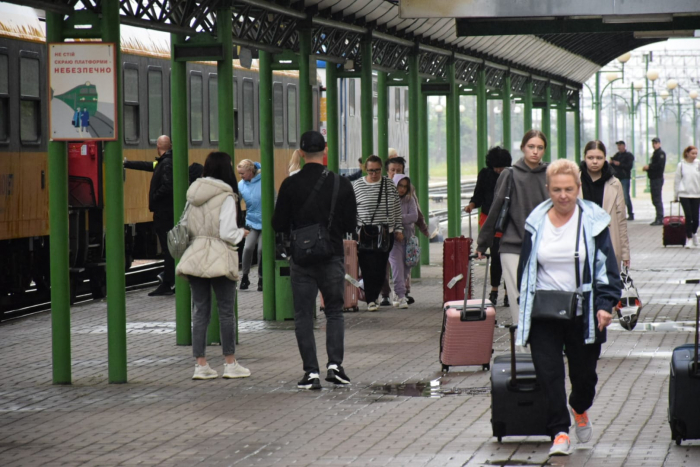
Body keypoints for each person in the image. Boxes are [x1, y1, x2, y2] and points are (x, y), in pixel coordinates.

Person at [516, 159, 621, 456]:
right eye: (557, 189)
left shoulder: (593, 222)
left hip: (584, 313)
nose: (563, 195)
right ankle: (559, 432)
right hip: (545, 312)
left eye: (569, 189)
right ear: (548, 189)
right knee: (548, 374)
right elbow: (525, 270)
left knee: (584, 377)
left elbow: (606, 267)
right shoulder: (535, 223)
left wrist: (604, 305)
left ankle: (579, 407)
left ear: (578, 188)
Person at [272, 130, 357, 390]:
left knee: (303, 316)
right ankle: (335, 366)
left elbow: (278, 223)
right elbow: (351, 224)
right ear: (325, 151)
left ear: (300, 152)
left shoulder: (289, 184)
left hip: (301, 259)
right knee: (333, 312)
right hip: (331, 255)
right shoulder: (341, 183)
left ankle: (311, 373)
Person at [175, 151, 251, 380]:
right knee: (226, 312)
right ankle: (230, 364)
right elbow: (227, 232)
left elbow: (184, 226)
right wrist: (241, 233)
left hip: (196, 256)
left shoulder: (193, 194)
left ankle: (201, 365)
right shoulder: (227, 196)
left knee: (200, 312)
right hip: (219, 256)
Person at [476, 130, 549, 333]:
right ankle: (523, 346)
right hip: (512, 246)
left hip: (543, 246)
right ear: (523, 148)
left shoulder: (550, 174)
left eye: (540, 147)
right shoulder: (510, 174)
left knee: (540, 295)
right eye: (531, 146)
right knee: (519, 297)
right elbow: (495, 209)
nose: (535, 151)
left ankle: (542, 343)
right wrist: (483, 243)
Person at [123, 135, 175, 296]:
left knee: (168, 249)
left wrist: (155, 196)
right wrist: (127, 164)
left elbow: (168, 185)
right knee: (169, 249)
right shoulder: (165, 161)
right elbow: (149, 165)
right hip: (165, 211)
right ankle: (169, 281)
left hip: (164, 212)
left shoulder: (166, 163)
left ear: (158, 146)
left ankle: (168, 283)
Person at [354, 155, 403, 311]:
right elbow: (352, 208)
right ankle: (370, 299)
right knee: (367, 266)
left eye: (377, 170)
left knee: (380, 267)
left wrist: (398, 228)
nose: (374, 174)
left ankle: (374, 295)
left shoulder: (389, 184)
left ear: (381, 169)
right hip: (365, 232)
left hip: (385, 232)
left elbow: (396, 208)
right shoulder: (357, 186)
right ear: (365, 169)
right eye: (370, 171)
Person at [465, 146, 512, 307]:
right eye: (496, 167)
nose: (499, 170)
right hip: (490, 221)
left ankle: (508, 292)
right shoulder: (485, 175)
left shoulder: (511, 175)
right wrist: (471, 205)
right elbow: (478, 195)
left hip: (507, 221)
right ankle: (494, 290)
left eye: (501, 167)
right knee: (496, 256)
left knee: (508, 258)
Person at [380, 156, 429, 306]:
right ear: (387, 171)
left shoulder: (409, 194)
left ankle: (402, 292)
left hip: (407, 235)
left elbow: (416, 214)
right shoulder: (382, 189)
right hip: (388, 236)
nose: (395, 173)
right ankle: (388, 294)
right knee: (389, 266)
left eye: (398, 170)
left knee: (405, 265)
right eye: (392, 171)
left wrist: (423, 227)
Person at [580, 141, 630, 268]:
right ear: (584, 158)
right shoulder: (574, 181)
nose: (595, 161)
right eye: (590, 158)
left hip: (607, 243)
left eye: (599, 158)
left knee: (606, 285)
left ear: (605, 158)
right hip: (581, 243)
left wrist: (625, 253)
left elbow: (621, 219)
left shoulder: (614, 183)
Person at [388, 174, 419, 309]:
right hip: (394, 239)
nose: (401, 189)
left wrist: (397, 218)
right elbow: (388, 217)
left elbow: (414, 216)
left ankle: (398, 292)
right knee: (397, 267)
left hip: (409, 239)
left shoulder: (410, 199)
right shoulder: (388, 199)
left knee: (406, 268)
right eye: (400, 185)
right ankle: (401, 295)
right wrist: (400, 221)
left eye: (405, 186)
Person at [237, 159, 263, 291]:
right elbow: (236, 202)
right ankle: (245, 277)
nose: (241, 176)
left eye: (242, 173)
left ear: (250, 171)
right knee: (247, 248)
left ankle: (261, 278)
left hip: (265, 223)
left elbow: (274, 199)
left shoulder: (264, 181)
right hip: (252, 222)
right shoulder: (241, 185)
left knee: (261, 250)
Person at [674, 146, 700, 248]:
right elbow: (677, 181)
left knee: (696, 218)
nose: (694, 155)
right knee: (688, 217)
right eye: (692, 153)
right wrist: (676, 195)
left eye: (696, 153)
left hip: (697, 194)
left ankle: (694, 233)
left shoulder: (698, 164)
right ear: (687, 154)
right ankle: (688, 238)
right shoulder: (681, 165)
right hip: (684, 194)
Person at [643, 137, 666, 226]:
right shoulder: (655, 153)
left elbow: (659, 166)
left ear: (659, 144)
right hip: (653, 179)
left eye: (656, 143)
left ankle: (660, 218)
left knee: (657, 199)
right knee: (655, 199)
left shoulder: (661, 154)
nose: (654, 145)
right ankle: (659, 217)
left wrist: (650, 167)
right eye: (653, 143)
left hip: (657, 179)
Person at [610, 140, 635, 220]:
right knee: (617, 197)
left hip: (625, 178)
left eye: (620, 145)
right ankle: (620, 214)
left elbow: (629, 166)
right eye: (618, 145)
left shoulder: (628, 156)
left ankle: (630, 214)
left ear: (624, 146)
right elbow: (611, 165)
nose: (619, 147)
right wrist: (611, 162)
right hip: (617, 178)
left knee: (625, 196)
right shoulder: (616, 155)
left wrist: (619, 164)